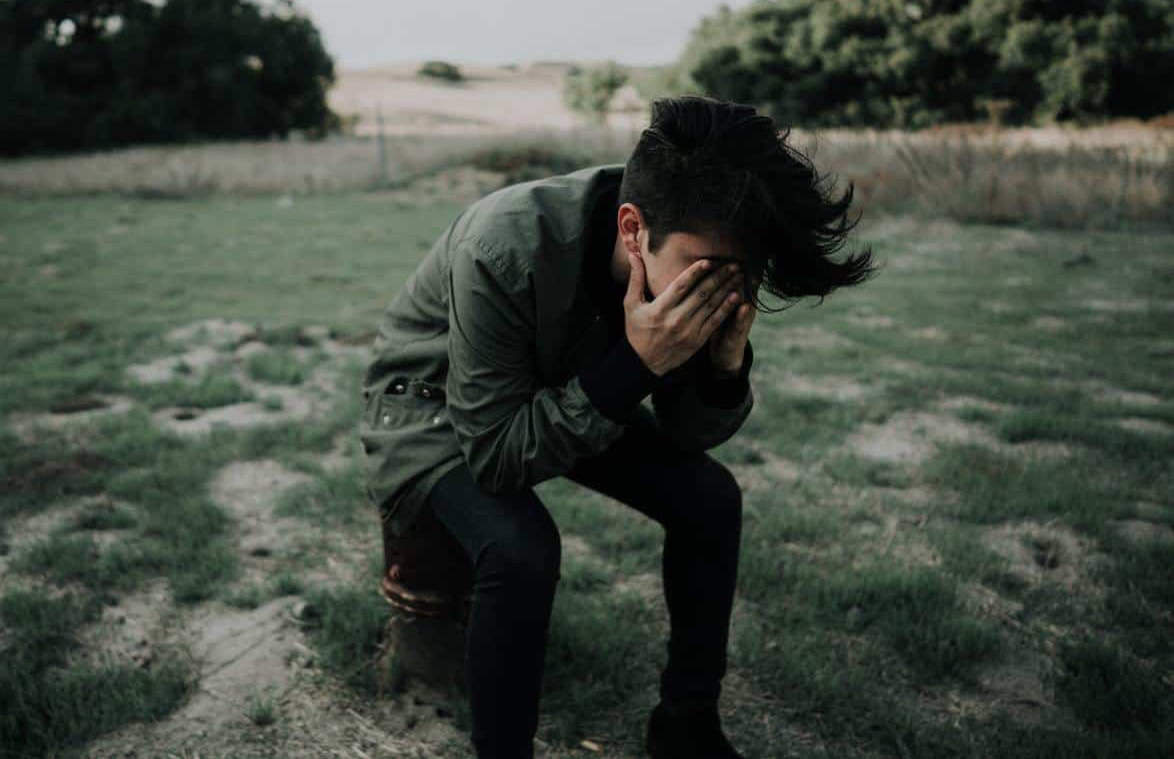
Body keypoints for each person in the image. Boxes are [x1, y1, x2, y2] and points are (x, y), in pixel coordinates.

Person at [358, 95, 876, 758]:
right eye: (711, 272)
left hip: (562, 390)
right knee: (520, 548)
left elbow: (687, 437)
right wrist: (636, 363)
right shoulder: (505, 243)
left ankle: (686, 727)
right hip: (432, 407)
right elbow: (495, 457)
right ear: (633, 231)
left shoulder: (689, 233)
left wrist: (720, 370)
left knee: (710, 498)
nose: (725, 291)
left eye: (745, 275)